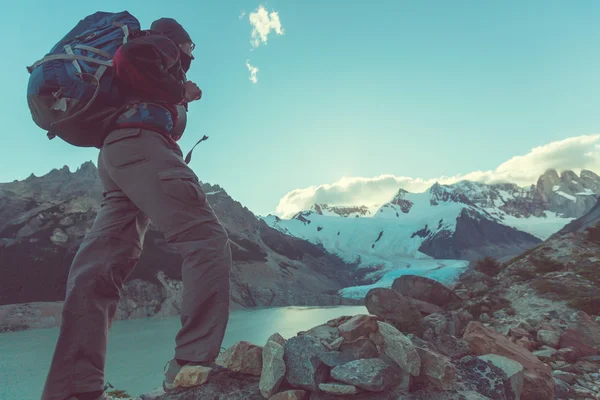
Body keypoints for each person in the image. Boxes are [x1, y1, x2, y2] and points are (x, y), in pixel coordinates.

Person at [40, 18, 232, 400]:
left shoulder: (126, 61)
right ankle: (191, 365)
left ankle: (73, 389)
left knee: (98, 269)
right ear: (182, 41)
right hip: (142, 147)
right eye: (191, 47)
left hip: (115, 155)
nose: (191, 55)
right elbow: (133, 57)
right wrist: (181, 90)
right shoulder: (158, 43)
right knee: (206, 240)